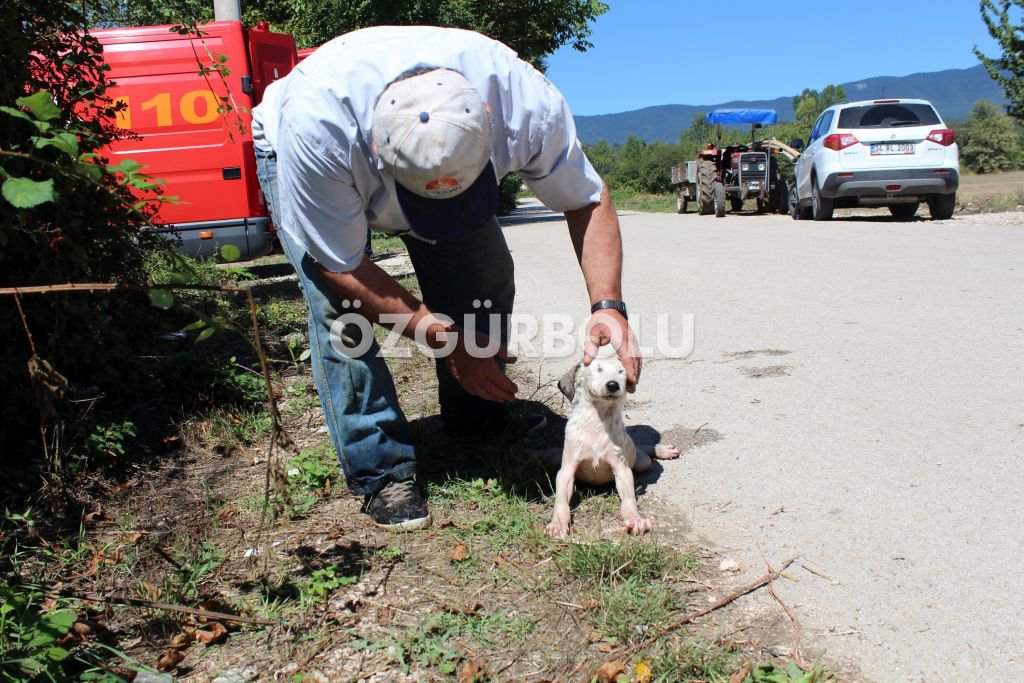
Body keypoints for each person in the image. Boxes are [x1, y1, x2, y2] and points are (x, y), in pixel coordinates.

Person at [252, 25, 640, 531]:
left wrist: (608, 305)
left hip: (391, 145)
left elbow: (586, 198)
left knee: (485, 273)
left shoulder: (525, 102)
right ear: (374, 145)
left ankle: (478, 418)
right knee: (341, 316)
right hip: (299, 153)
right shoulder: (317, 133)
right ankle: (381, 466)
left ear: (488, 120)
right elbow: (339, 266)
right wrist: (443, 338)